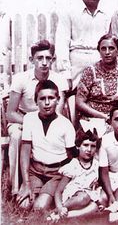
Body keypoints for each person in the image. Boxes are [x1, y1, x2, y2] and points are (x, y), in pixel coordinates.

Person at [6, 40, 68, 196]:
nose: (44, 62)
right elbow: (10, 113)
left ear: (53, 60)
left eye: (48, 58)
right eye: (40, 58)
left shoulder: (59, 80)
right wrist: (30, 124)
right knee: (16, 135)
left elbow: (58, 114)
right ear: (31, 60)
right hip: (22, 119)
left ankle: (54, 182)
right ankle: (16, 187)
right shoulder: (20, 79)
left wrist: (41, 126)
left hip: (49, 121)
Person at [15, 80, 75, 211]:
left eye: (51, 98)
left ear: (58, 100)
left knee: (39, 207)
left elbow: (72, 158)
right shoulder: (29, 119)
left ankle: (48, 196)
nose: (47, 103)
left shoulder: (66, 125)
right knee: (23, 206)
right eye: (42, 99)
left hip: (56, 172)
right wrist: (26, 184)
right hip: (35, 171)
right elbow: (25, 151)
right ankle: (34, 191)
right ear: (36, 101)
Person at [55, 0, 110, 90]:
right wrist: (65, 73)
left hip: (101, 61)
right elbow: (62, 43)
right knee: (74, 98)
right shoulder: (69, 12)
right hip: (76, 63)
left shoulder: (106, 15)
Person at [76, 34, 118, 137]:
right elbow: (80, 102)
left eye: (111, 48)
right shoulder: (90, 71)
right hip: (93, 118)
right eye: (103, 49)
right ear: (99, 51)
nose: (107, 52)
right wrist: (102, 116)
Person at [48, 128, 105, 221]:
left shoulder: (95, 164)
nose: (89, 149)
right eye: (85, 145)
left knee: (94, 207)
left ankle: (64, 217)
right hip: (73, 199)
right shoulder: (73, 166)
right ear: (78, 146)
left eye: (93, 146)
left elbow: (92, 188)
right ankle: (56, 212)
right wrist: (59, 207)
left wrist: (99, 204)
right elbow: (59, 191)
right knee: (83, 197)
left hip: (88, 197)